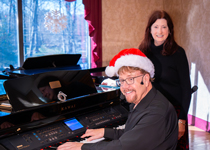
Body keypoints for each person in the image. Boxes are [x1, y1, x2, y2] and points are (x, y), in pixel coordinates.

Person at [57, 48, 178, 150]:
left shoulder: (156, 113)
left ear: (146, 79)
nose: (125, 87)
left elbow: (122, 146)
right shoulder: (143, 100)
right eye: (121, 80)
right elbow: (132, 134)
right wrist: (105, 132)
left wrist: (82, 147)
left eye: (130, 79)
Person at [138, 10, 192, 150]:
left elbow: (186, 89)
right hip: (152, 110)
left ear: (170, 30)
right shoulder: (143, 51)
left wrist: (182, 120)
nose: (160, 31)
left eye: (164, 27)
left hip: (174, 111)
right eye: (156, 27)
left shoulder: (178, 53)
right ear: (149, 29)